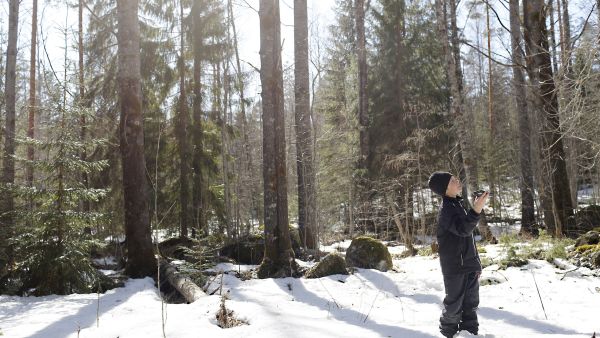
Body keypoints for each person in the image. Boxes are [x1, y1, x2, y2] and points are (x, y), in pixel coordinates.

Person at [428, 171, 489, 338]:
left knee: (471, 305)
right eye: (453, 180)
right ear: (445, 188)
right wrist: (476, 209)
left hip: (468, 265)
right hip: (455, 267)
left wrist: (476, 263)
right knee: (454, 305)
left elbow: (466, 235)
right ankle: (447, 334)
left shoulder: (456, 205)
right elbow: (463, 229)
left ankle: (470, 334)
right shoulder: (446, 209)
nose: (458, 181)